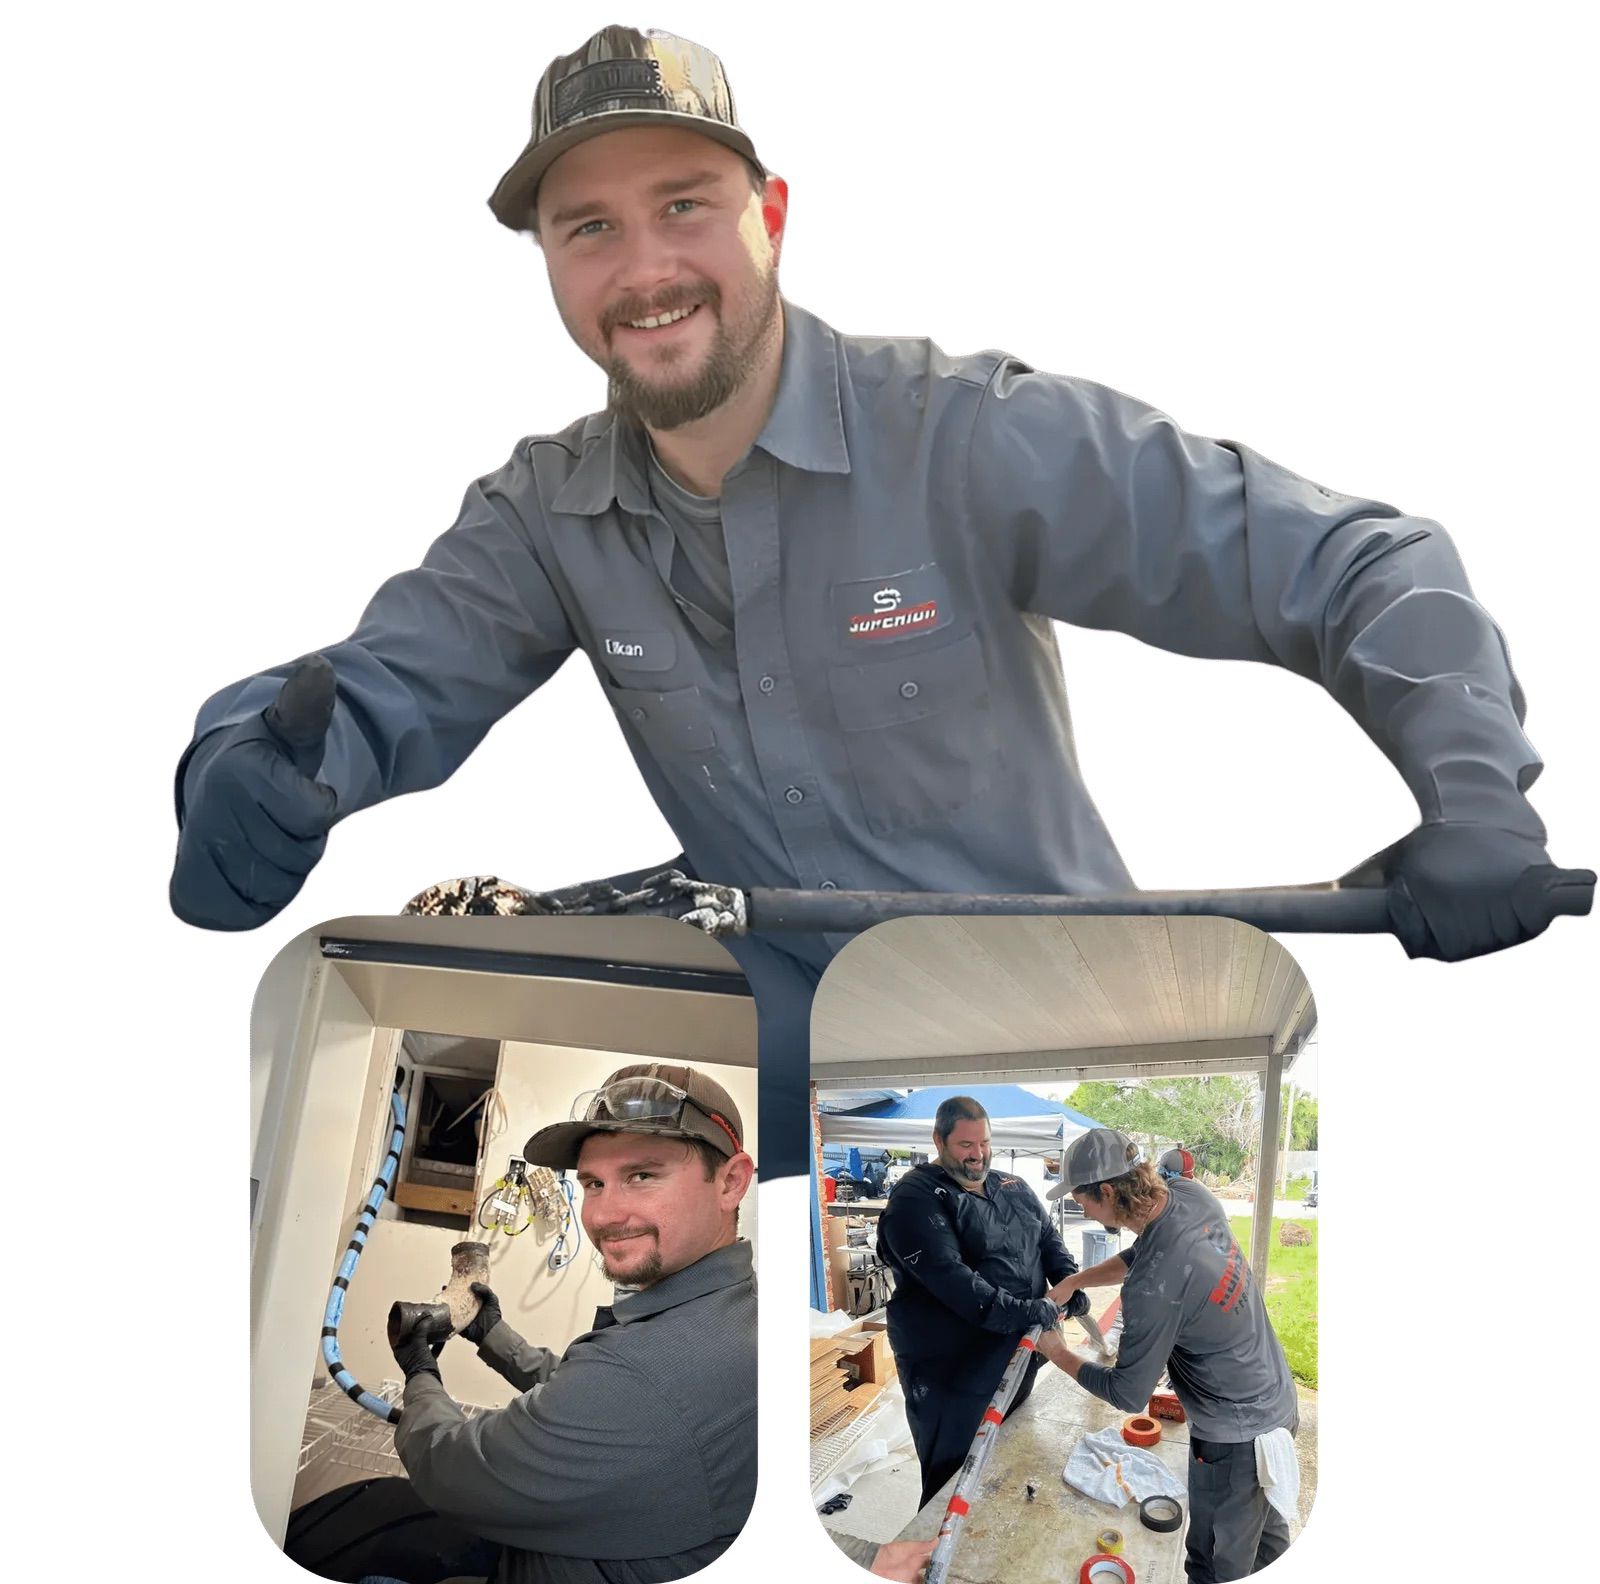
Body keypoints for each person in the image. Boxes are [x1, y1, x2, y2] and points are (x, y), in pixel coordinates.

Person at [168, 24, 1568, 1179]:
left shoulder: (969, 438)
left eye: (683, 207)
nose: (644, 269)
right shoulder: (544, 513)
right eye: (589, 227)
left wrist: (1472, 792)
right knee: (425, 1086)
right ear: (548, 262)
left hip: (1035, 1033)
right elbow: (372, 687)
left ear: (769, 218)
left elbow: (1357, 563)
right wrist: (243, 774)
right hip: (778, 1012)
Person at [378, 1063, 755, 1584]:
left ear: (731, 1182)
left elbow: (450, 1471)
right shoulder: (728, 1313)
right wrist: (492, 1335)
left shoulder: (646, 1372)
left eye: (642, 1176)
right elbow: (590, 1395)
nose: (601, 1216)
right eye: (594, 1183)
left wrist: (420, 1373)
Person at [1042, 1130, 1297, 1583]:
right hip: (1277, 1398)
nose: (1083, 1210)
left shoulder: (1151, 1289)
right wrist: (1075, 1281)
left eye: (1081, 1200)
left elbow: (1128, 1393)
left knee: (1213, 1564)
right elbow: (1142, 1252)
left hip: (1235, 1439)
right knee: (1266, 1541)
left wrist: (1057, 1352)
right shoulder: (1187, 1195)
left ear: (1107, 1192)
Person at [874, 1096, 1087, 1510]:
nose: (978, 1154)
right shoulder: (916, 1198)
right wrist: (1028, 1312)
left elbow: (1047, 1239)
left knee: (1006, 1452)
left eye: (985, 1143)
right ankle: (936, 1544)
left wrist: (1068, 1281)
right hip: (951, 1367)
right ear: (938, 1141)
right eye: (966, 1145)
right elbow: (951, 1278)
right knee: (953, 1472)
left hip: (1015, 1352)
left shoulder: (1013, 1187)